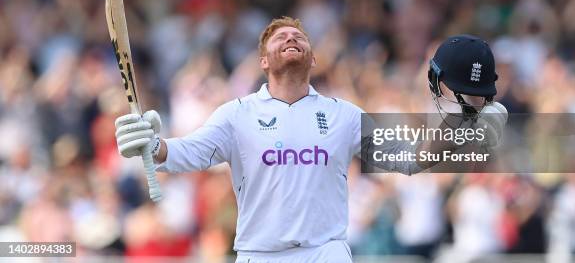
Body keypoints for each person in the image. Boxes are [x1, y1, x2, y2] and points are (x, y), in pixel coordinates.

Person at [114, 18, 507, 262]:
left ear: (313, 58)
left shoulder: (346, 115)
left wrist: (460, 122)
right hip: (259, 254)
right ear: (263, 61)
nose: (291, 37)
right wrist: (151, 143)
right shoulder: (237, 114)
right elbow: (187, 152)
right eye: (279, 36)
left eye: (299, 36)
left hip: (326, 252)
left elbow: (411, 158)